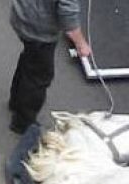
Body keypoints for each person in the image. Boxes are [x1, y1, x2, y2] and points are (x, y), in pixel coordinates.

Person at [8, 0, 91, 134]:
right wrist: (81, 44)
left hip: (22, 15)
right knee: (39, 76)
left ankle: (15, 102)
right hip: (40, 30)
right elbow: (68, 15)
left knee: (29, 59)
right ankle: (23, 122)